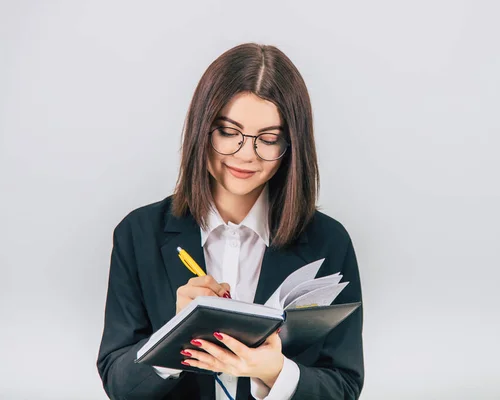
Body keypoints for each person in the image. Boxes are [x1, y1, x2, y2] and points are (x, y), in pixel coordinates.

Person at [96, 42, 364, 400]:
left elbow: (344, 386)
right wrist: (174, 335)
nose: (246, 155)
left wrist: (276, 373)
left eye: (268, 139)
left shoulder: (329, 241)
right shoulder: (139, 234)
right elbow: (118, 383)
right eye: (227, 132)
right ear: (201, 129)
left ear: (291, 145)